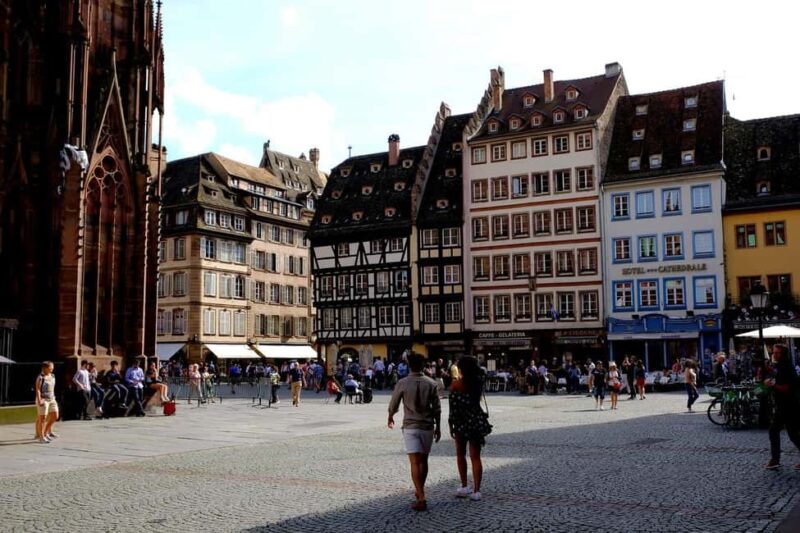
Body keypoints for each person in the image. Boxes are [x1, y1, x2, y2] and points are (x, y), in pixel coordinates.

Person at [388, 353, 442, 512]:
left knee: (414, 462)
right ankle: (420, 492)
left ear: (409, 365)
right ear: (423, 365)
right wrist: (438, 427)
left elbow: (394, 403)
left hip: (410, 426)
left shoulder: (402, 382)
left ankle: (421, 495)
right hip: (426, 426)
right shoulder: (431, 383)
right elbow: (437, 409)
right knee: (424, 461)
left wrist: (390, 415)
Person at [448, 355, 489, 501]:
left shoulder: (455, 385)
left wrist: (451, 424)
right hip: (476, 422)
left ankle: (464, 486)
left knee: (460, 454)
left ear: (461, 368)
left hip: (460, 422)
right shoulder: (478, 382)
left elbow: (452, 408)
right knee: (475, 456)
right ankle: (477, 490)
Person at [764, 344, 800, 470]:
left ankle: (775, 459)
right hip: (783, 405)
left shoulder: (787, 367)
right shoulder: (779, 366)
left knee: (778, 431)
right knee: (792, 434)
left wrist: (772, 385)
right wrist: (769, 377)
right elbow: (775, 376)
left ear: (783, 354)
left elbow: (786, 388)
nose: (775, 354)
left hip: (789, 405)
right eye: (774, 352)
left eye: (778, 353)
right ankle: (775, 459)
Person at [35, 361, 59, 443]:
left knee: (55, 416)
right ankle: (41, 437)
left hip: (52, 399)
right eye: (50, 367)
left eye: (52, 367)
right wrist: (39, 400)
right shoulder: (41, 377)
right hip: (43, 399)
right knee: (42, 418)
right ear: (45, 368)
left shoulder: (52, 375)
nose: (52, 369)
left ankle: (46, 432)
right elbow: (38, 389)